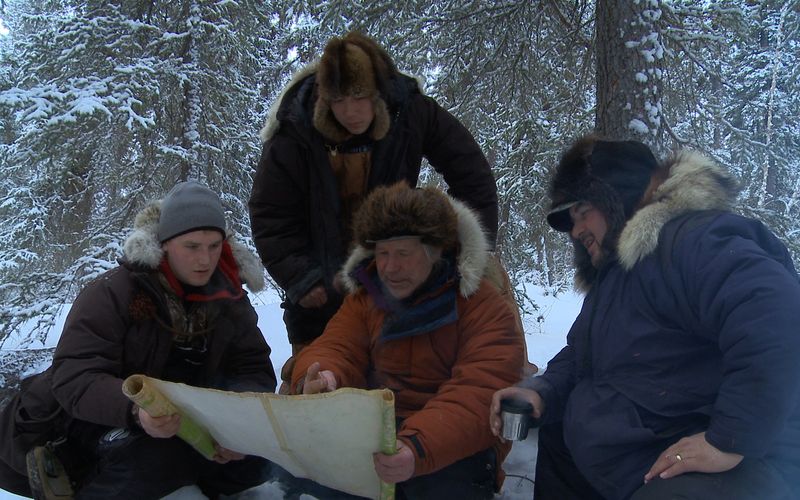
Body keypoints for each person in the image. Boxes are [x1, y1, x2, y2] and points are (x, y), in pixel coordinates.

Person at [489, 136, 800, 500]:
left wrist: (730, 439)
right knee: (561, 438)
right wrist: (541, 393)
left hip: (731, 466)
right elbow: (580, 357)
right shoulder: (618, 278)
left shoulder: (690, 239)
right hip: (636, 456)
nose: (575, 231)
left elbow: (774, 313)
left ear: (616, 196)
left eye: (582, 212)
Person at [248, 31, 533, 391]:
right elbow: (270, 213)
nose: (350, 111)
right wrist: (301, 277)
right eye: (338, 100)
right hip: (322, 282)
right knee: (316, 377)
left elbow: (470, 172)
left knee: (484, 282)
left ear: (378, 92)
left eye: (359, 98)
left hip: (393, 263)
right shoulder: (295, 132)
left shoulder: (410, 112)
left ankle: (512, 380)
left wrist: (459, 247)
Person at [0, 181, 277, 499]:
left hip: (183, 425)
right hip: (86, 422)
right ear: (165, 243)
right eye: (192, 247)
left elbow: (252, 368)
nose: (205, 259)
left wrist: (236, 429)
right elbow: (73, 377)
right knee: (155, 459)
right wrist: (134, 411)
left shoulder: (229, 299)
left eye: (214, 246)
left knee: (258, 460)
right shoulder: (113, 293)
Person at [289, 182, 524, 499]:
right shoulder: (366, 299)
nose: (389, 267)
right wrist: (325, 376)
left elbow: (480, 393)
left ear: (436, 251)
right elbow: (338, 346)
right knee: (305, 477)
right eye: (383, 253)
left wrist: (416, 446)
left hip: (451, 444)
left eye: (403, 253)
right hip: (378, 432)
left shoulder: (483, 307)